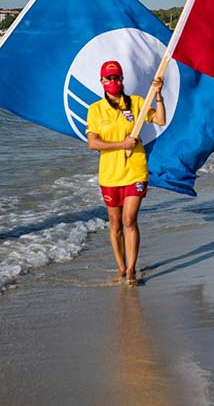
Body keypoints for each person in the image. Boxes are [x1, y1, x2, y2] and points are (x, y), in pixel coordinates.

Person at [86, 60, 165, 287]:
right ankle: (121, 266)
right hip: (110, 174)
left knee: (129, 219)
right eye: (109, 78)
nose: (113, 82)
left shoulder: (137, 103)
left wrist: (158, 95)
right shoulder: (95, 110)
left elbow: (160, 119)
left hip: (135, 169)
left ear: (122, 80)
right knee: (114, 223)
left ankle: (131, 269)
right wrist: (123, 143)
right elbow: (93, 143)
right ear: (102, 81)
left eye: (117, 78)